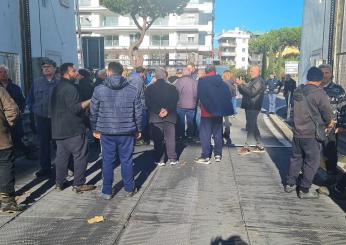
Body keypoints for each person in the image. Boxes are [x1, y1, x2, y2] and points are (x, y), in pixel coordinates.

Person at [90, 62, 142, 200]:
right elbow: (138, 112)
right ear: (122, 72)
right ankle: (129, 188)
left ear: (108, 72)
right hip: (127, 131)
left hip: (106, 131)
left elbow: (93, 111)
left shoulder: (99, 90)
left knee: (107, 161)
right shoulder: (132, 90)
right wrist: (138, 128)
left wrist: (94, 128)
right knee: (127, 160)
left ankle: (107, 191)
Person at [285, 67, 334, 199]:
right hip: (311, 133)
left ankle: (290, 184)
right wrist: (330, 122)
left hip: (297, 132)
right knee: (312, 161)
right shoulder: (319, 93)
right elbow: (327, 113)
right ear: (319, 79)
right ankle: (305, 189)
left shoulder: (298, 91)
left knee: (296, 158)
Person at [50, 63, 95, 193]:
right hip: (73, 128)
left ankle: (59, 183)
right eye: (74, 71)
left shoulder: (56, 87)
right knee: (80, 156)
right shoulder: (70, 88)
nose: (76, 73)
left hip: (59, 129)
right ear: (67, 73)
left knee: (62, 157)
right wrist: (90, 101)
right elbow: (75, 108)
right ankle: (79, 183)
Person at [195, 65, 234, 164]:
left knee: (205, 135)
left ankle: (206, 156)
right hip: (218, 112)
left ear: (206, 72)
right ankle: (218, 154)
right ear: (215, 71)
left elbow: (200, 96)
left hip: (206, 113)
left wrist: (204, 106)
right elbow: (228, 96)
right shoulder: (223, 83)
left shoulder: (202, 81)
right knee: (217, 134)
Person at [27, 58, 59, 178]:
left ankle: (60, 167)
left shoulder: (60, 83)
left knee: (58, 144)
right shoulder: (37, 82)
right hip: (41, 118)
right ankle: (45, 168)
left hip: (56, 119)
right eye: (44, 67)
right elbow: (30, 99)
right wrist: (33, 110)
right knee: (43, 144)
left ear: (54, 69)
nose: (46, 69)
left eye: (49, 66)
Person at [145, 67, 179, 166]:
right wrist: (167, 110)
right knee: (170, 138)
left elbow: (148, 103)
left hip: (156, 117)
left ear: (155, 76)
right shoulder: (172, 88)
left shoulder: (150, 88)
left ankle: (160, 159)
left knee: (158, 139)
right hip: (170, 117)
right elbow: (175, 101)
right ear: (164, 76)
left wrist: (158, 110)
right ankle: (172, 158)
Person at [0, 65, 35, 160]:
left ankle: (28, 153)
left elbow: (22, 101)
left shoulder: (15, 88)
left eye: (5, 72)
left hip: (15, 119)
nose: (3, 74)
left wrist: (20, 111)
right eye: (1, 72)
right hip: (2, 122)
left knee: (18, 138)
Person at [318, 64, 346, 184]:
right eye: (322, 73)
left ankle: (331, 176)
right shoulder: (313, 88)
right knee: (312, 151)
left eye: (327, 73)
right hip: (315, 126)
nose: (324, 75)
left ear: (331, 74)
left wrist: (342, 126)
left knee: (330, 153)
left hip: (331, 127)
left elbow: (343, 109)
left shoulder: (338, 90)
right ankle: (311, 173)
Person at [0, 87, 23, 212]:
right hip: (1, 138)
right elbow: (13, 110)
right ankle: (7, 200)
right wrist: (7, 125)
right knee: (5, 165)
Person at [236, 65, 266, 155]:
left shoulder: (259, 81)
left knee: (250, 126)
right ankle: (260, 145)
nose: (250, 72)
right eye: (250, 71)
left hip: (254, 106)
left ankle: (247, 146)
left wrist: (241, 84)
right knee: (253, 125)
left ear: (258, 72)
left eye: (252, 71)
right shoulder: (253, 81)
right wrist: (240, 85)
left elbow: (251, 93)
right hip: (250, 106)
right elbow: (244, 92)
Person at [175, 68, 198, 141]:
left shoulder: (179, 81)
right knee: (190, 121)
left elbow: (176, 92)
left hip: (180, 104)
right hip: (191, 104)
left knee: (180, 121)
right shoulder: (194, 82)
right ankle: (190, 135)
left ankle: (180, 135)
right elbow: (196, 94)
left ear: (183, 73)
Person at [222, 70, 237, 140]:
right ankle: (227, 133)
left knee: (219, 119)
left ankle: (220, 133)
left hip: (222, 102)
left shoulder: (223, 83)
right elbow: (233, 94)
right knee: (226, 119)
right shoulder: (232, 84)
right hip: (228, 103)